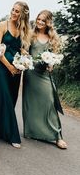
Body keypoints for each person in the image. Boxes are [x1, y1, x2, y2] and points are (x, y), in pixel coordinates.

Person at [22, 10, 67, 149]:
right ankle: (33, 131)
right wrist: (24, 54)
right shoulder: (31, 34)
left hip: (44, 74)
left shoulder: (52, 37)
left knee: (49, 102)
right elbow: (24, 50)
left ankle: (57, 136)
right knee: (31, 103)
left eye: (43, 20)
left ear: (48, 22)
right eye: (38, 19)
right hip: (31, 73)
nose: (40, 22)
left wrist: (52, 63)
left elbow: (54, 54)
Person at [0, 1, 30, 148]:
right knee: (6, 98)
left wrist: (24, 59)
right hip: (3, 67)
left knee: (12, 98)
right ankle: (12, 135)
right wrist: (9, 67)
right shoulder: (2, 25)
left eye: (17, 12)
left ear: (23, 14)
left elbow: (22, 48)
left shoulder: (24, 29)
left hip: (17, 68)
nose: (13, 13)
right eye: (13, 10)